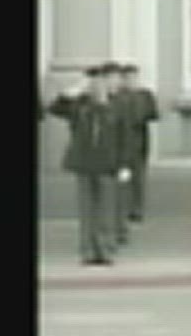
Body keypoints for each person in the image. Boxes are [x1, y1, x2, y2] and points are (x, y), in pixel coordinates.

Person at [48, 65, 127, 266]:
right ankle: (88, 250)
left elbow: (125, 138)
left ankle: (105, 249)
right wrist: (71, 92)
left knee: (106, 209)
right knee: (87, 209)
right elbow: (54, 109)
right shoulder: (80, 106)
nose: (99, 87)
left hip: (108, 164)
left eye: (102, 82)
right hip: (84, 163)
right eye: (95, 83)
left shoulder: (118, 106)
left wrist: (125, 165)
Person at [113, 64, 160, 226]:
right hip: (122, 143)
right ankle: (124, 208)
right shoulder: (117, 96)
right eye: (128, 78)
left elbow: (152, 114)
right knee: (123, 177)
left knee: (138, 178)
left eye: (134, 77)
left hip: (139, 142)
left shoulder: (145, 95)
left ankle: (137, 209)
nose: (132, 81)